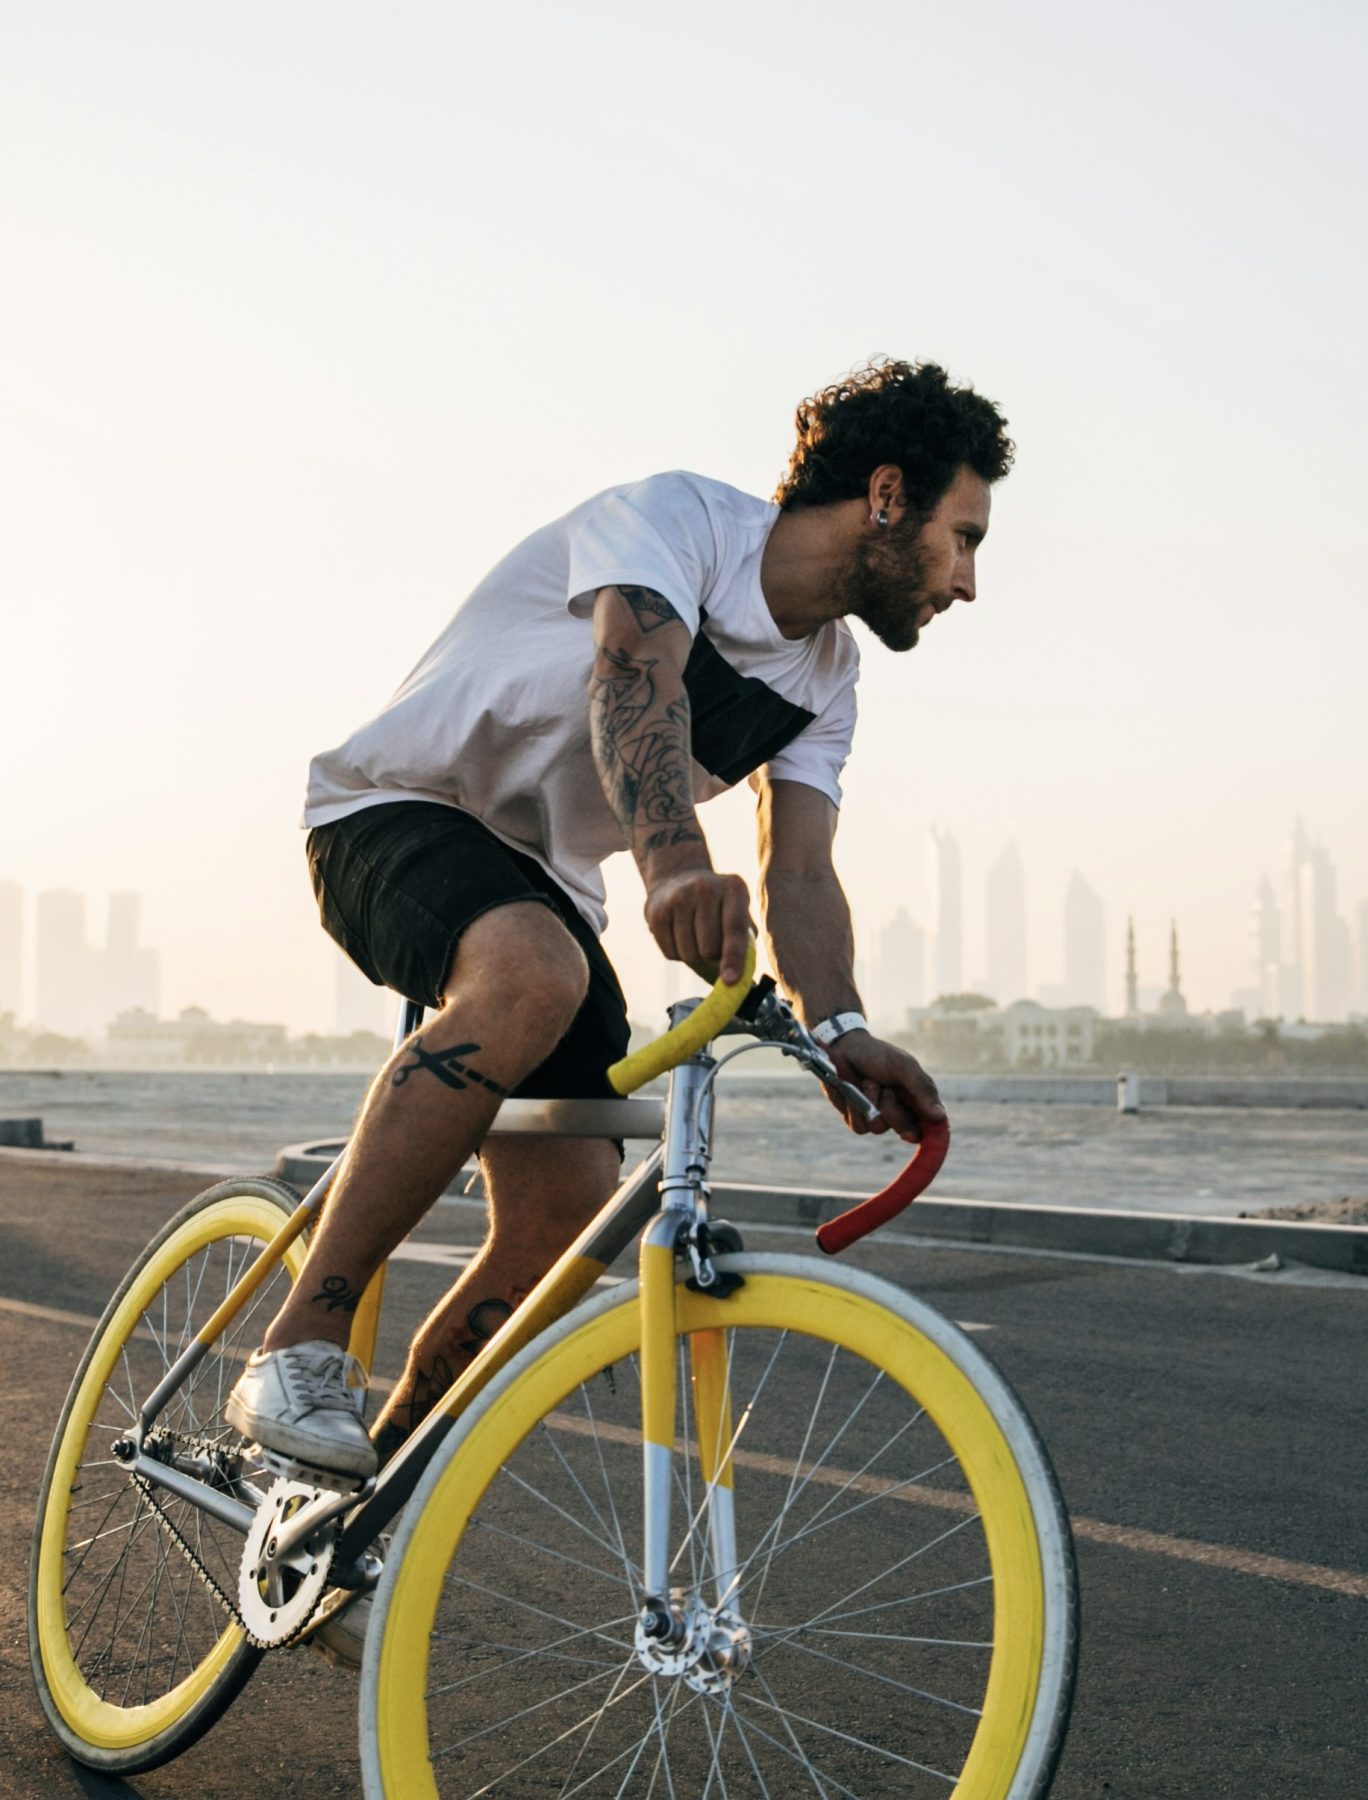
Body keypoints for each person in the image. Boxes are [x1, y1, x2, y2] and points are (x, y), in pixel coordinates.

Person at [226, 356, 1011, 1490]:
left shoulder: (828, 679)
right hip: (392, 811)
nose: (968, 582)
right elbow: (631, 682)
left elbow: (799, 873)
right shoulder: (682, 520)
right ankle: (296, 1349)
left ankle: (353, 1503)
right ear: (886, 496)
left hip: (547, 886)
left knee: (570, 1220)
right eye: (966, 537)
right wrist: (675, 868)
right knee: (534, 973)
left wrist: (841, 1030)